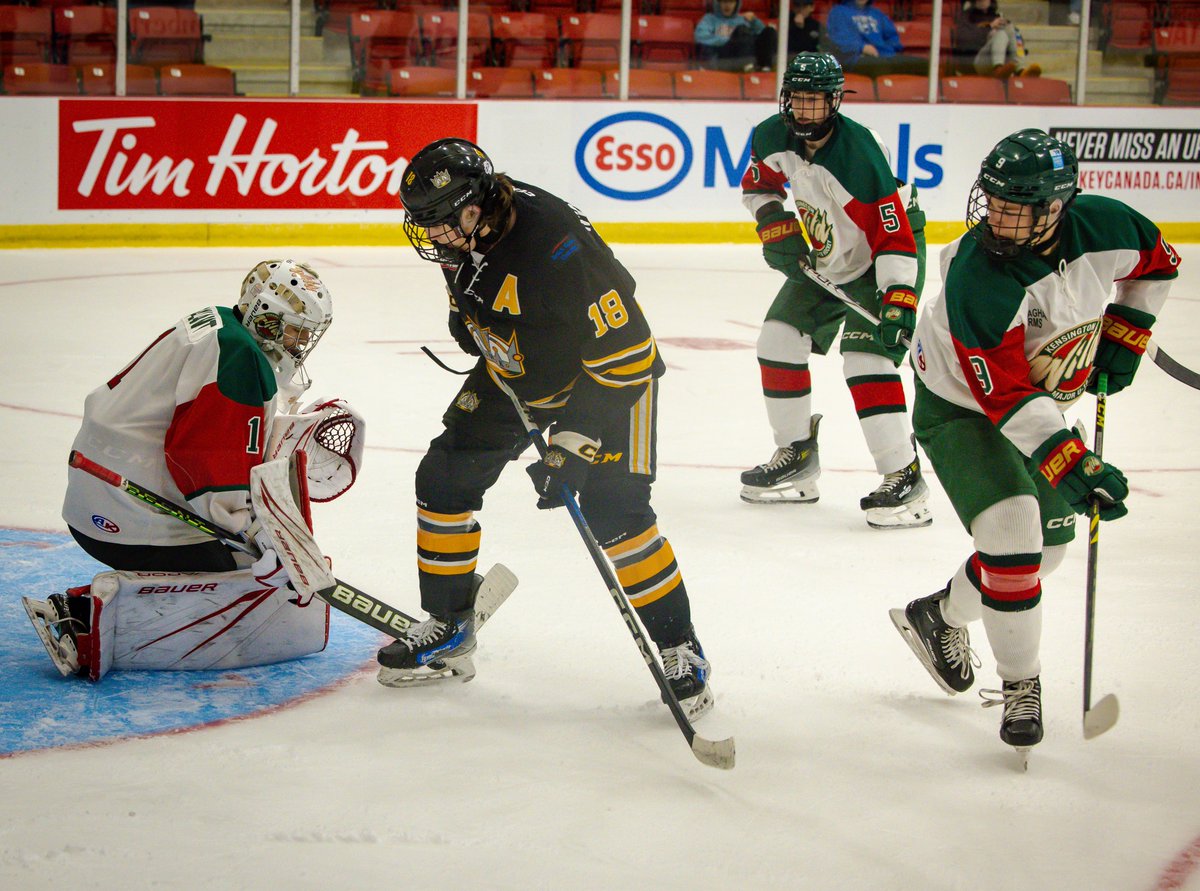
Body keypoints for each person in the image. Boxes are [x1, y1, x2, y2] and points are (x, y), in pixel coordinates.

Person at [380, 138, 713, 719]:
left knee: (616, 512)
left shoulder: (558, 246)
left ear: (476, 205)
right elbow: (477, 299)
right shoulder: (467, 231)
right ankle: (451, 623)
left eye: (441, 222)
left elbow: (629, 354)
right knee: (443, 480)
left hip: (608, 384)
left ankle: (680, 648)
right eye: (425, 224)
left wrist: (572, 446)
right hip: (517, 370)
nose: (434, 236)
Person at [890, 129, 1180, 754]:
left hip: (1041, 402)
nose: (995, 219)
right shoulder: (978, 277)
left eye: (1013, 209)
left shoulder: (1105, 225)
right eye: (991, 202)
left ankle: (939, 616)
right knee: (1013, 529)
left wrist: (1125, 334)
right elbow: (1006, 396)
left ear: (1056, 208)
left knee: (1041, 558)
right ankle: (1021, 685)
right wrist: (1074, 463)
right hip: (961, 406)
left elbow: (1159, 262)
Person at [24, 260, 361, 681]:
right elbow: (206, 467)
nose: (302, 341)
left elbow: (207, 436)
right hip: (123, 504)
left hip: (102, 485)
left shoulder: (222, 326)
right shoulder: (239, 357)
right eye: (296, 329)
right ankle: (81, 620)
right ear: (268, 318)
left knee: (251, 559)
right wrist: (258, 541)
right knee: (248, 575)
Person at [739, 52, 932, 530]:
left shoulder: (859, 154)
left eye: (816, 101)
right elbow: (759, 185)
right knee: (777, 341)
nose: (805, 111)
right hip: (828, 255)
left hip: (883, 258)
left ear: (835, 102)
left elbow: (893, 236)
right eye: (798, 100)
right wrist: (774, 223)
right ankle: (797, 455)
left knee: (867, 359)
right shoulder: (770, 135)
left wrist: (898, 298)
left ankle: (903, 476)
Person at [825, 0, 928, 76]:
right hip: (855, 58)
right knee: (880, 66)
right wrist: (862, 47)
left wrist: (885, 50)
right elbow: (840, 38)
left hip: (883, 56)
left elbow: (892, 38)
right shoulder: (838, 12)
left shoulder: (877, 13)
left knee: (925, 65)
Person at [952, 0, 1041, 78]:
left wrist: (1010, 31)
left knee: (1012, 30)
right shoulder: (966, 16)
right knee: (1001, 33)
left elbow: (1019, 43)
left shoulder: (997, 17)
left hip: (1002, 59)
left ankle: (1021, 70)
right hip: (977, 61)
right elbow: (964, 39)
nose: (983, 2)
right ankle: (998, 68)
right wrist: (990, 27)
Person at [694, 0, 778, 73]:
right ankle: (746, 66)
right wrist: (729, 40)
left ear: (736, 4)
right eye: (724, 2)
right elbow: (701, 37)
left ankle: (765, 68)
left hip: (747, 52)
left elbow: (763, 37)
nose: (727, 5)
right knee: (741, 30)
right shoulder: (709, 19)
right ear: (718, 3)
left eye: (731, 2)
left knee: (770, 31)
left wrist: (754, 21)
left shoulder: (742, 19)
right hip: (724, 56)